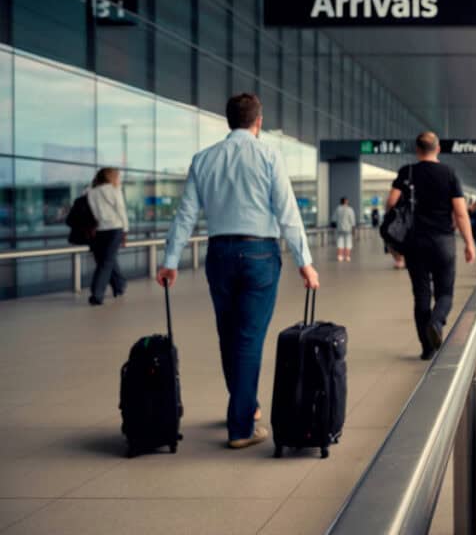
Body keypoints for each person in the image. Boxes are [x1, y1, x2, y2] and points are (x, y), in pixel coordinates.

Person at [156, 93, 320, 449]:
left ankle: (246, 404)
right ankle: (241, 428)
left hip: (220, 254)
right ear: (258, 122)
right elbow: (288, 213)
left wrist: (170, 260)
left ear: (229, 120)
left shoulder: (204, 159)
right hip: (260, 254)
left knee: (229, 335)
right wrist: (304, 262)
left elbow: (185, 214)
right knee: (249, 339)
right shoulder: (269, 156)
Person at [387, 131, 475, 360]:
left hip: (414, 243)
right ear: (438, 149)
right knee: (445, 293)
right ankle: (436, 322)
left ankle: (427, 349)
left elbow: (391, 202)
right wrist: (469, 243)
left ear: (417, 150)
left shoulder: (407, 172)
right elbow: (461, 213)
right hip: (443, 241)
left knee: (421, 296)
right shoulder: (449, 174)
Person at [86, 167, 129, 305]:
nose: (119, 179)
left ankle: (119, 286)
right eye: (117, 176)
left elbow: (93, 213)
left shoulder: (91, 191)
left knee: (106, 260)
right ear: (111, 177)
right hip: (115, 229)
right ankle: (98, 294)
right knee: (107, 261)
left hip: (100, 230)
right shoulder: (114, 190)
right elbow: (121, 210)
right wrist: (125, 230)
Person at [334, 197, 357, 262]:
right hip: (348, 229)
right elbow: (352, 220)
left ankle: (340, 256)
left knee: (339, 242)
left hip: (339, 228)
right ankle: (347, 256)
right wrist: (353, 228)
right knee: (348, 242)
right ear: (346, 201)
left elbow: (334, 219)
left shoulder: (338, 209)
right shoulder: (350, 209)